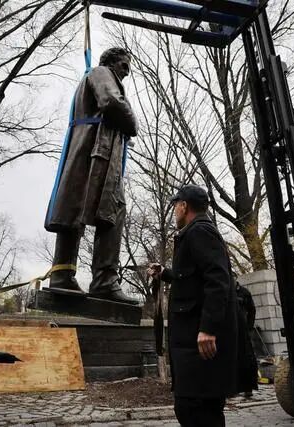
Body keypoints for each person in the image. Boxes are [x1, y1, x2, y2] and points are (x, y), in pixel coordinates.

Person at [44, 47, 138, 305]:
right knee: (114, 209)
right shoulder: (101, 72)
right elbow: (112, 103)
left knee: (72, 208)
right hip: (96, 154)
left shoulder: (94, 76)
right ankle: (104, 281)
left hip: (88, 152)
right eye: (124, 65)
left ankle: (62, 275)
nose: (126, 72)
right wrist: (132, 123)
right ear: (111, 62)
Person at [147, 184, 239, 427]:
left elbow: (218, 280)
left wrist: (208, 328)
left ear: (184, 206)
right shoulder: (195, 232)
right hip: (192, 341)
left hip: (199, 341)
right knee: (194, 407)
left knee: (195, 409)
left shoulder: (200, 231)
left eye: (175, 205)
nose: (174, 211)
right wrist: (164, 273)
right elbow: (191, 278)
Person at [236, 281, 258, 398]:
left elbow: (252, 310)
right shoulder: (225, 291)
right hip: (230, 330)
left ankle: (248, 387)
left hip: (243, 330)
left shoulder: (244, 292)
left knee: (248, 358)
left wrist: (249, 326)